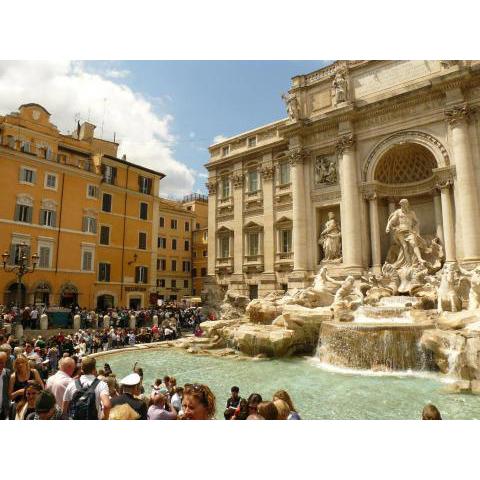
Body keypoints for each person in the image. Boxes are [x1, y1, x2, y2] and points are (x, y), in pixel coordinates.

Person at [0, 351, 11, 420]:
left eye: (4, 362)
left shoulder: (7, 373)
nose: (2, 365)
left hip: (3, 411)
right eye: (0, 362)